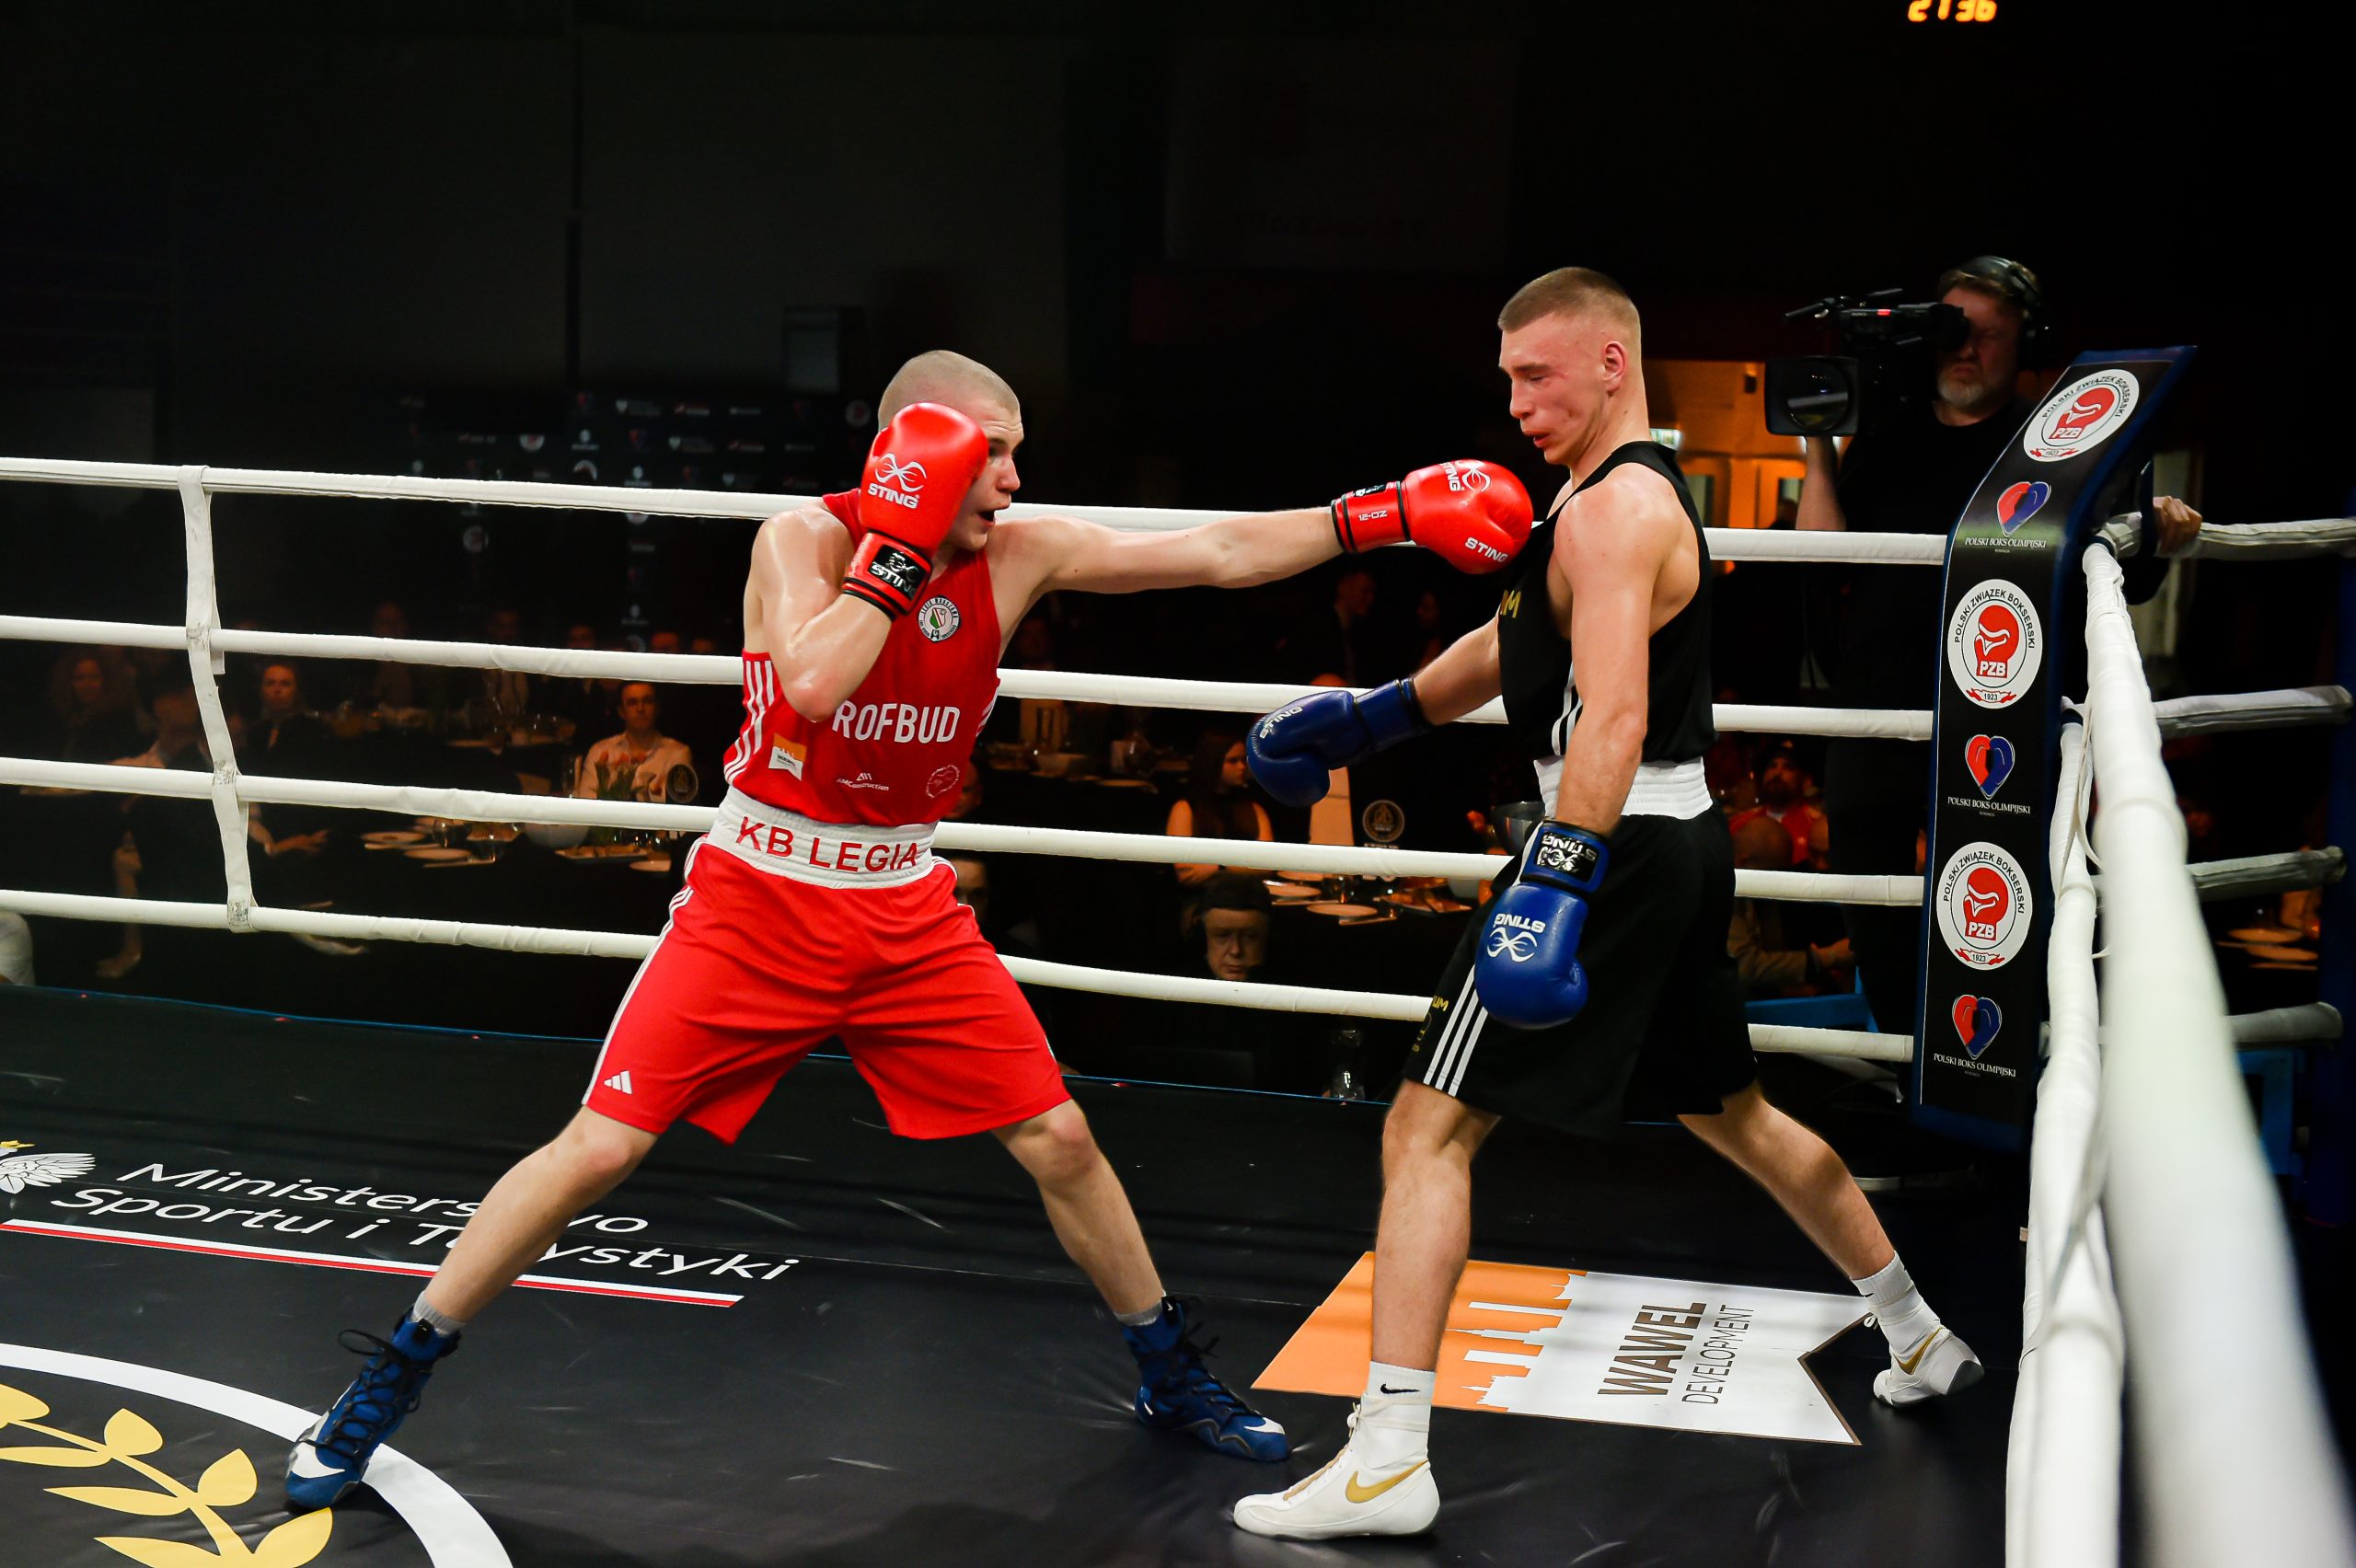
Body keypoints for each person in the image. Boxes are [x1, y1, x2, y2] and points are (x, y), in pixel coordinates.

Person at [283, 348, 1532, 1511]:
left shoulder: (1020, 553)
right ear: (912, 451)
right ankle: (391, 1374)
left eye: (1017, 451)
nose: (1013, 477)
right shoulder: (802, 539)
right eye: (991, 452)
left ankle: (1167, 1369)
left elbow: (1213, 552)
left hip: (901, 902)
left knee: (1061, 1138)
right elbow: (814, 682)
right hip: (760, 894)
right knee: (598, 1151)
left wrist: (1376, 517)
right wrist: (894, 546)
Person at [1232, 269, 1979, 1541]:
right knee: (1736, 1114)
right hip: (1671, 843)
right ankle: (1918, 1333)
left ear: (1612, 364)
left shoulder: (1612, 510)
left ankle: (1388, 1455)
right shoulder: (1602, 499)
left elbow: (1616, 714)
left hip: (1612, 841)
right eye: (1509, 378)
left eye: (1539, 374)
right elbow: (1516, 643)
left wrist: (1559, 877)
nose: (1518, 401)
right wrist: (1376, 717)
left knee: (1424, 1131)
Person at [1797, 256, 2202, 1036]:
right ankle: (1906, 1071)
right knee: (1870, 904)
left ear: (2026, 344)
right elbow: (1820, 560)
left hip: (2005, 714)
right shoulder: (1886, 436)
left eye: (1988, 334)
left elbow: (2127, 575)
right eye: (1953, 329)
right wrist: (1817, 447)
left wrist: (2155, 524)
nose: (1966, 349)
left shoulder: (2057, 441)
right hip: (1877, 708)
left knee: (2011, 911)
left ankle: (2012, 1080)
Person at [1727, 814, 1851, 995]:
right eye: (1775, 873)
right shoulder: (1716, 889)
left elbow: (1769, 954)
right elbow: (1743, 966)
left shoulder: (1758, 890)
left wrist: (1787, 987)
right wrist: (1826, 957)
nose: (1782, 881)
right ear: (1743, 862)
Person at [1164, 731, 1275, 888]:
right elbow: (1187, 874)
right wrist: (1242, 865)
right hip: (1203, 898)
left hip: (1248, 895)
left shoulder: (1254, 809)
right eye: (1233, 761)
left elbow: (1268, 864)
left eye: (1243, 760)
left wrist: (1219, 867)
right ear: (1213, 763)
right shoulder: (1185, 809)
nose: (1242, 766)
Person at [574, 682, 694, 801]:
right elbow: (586, 803)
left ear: (657, 708)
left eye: (647, 701)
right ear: (621, 711)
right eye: (632, 703)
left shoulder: (677, 753)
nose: (640, 708)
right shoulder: (600, 751)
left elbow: (678, 804)